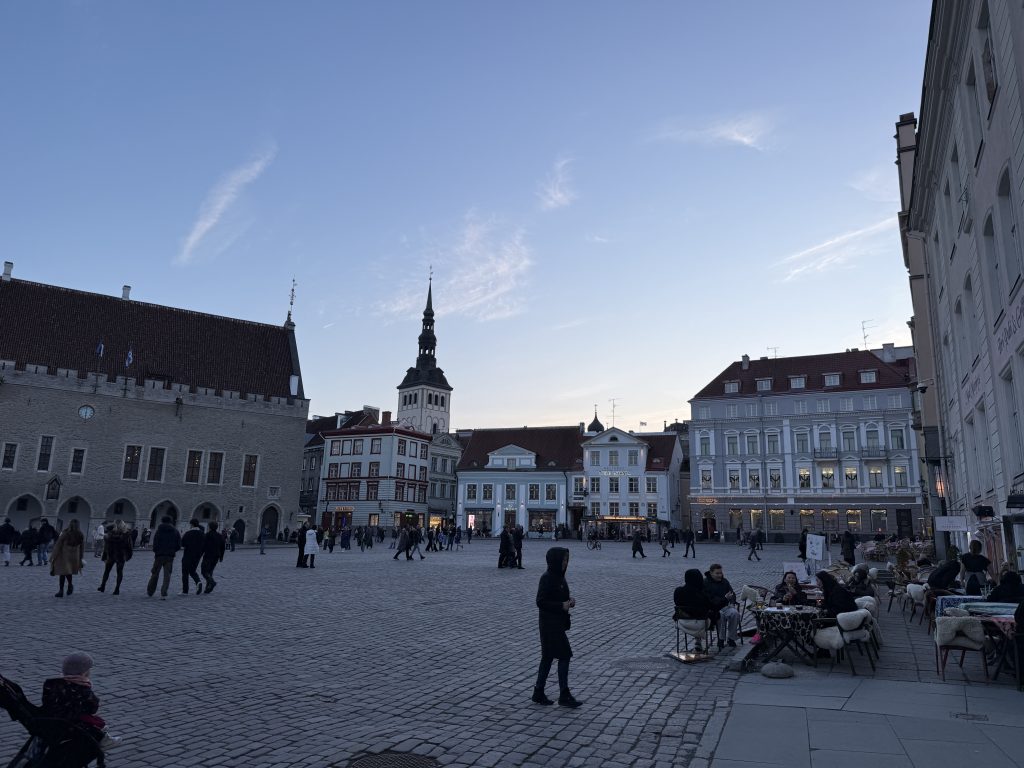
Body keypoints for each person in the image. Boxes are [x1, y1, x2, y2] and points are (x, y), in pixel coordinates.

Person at [532, 547, 580, 708]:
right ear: (555, 561)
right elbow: (541, 601)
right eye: (563, 559)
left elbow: (558, 596)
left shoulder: (559, 577)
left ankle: (538, 691)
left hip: (555, 623)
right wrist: (561, 605)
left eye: (567, 559)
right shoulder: (547, 578)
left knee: (548, 657)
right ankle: (564, 694)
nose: (566, 562)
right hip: (549, 624)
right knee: (564, 655)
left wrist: (568, 601)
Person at [42, 653, 121, 751]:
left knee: (92, 719)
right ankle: (104, 739)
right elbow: (92, 708)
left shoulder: (52, 683)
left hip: (51, 719)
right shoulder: (81, 687)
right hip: (70, 723)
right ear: (84, 673)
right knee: (93, 720)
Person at [674, 569, 717, 652]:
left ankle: (698, 641)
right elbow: (711, 606)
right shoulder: (702, 593)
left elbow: (677, 603)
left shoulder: (678, 591)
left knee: (696, 615)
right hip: (701, 624)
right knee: (710, 615)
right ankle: (699, 641)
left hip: (682, 623)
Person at [704, 564, 739, 648]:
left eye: (721, 573)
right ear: (711, 573)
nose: (720, 575)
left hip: (725, 606)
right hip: (712, 609)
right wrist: (725, 598)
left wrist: (732, 602)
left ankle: (731, 638)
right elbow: (710, 600)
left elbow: (732, 593)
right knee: (720, 616)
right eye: (717, 573)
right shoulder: (705, 582)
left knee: (735, 613)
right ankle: (721, 639)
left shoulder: (724, 581)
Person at [146, 516, 181, 599]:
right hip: (170, 556)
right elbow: (178, 545)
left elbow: (155, 543)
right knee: (167, 575)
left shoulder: (159, 531)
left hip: (159, 556)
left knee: (155, 574)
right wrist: (172, 551)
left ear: (162, 521)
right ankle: (163, 594)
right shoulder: (175, 531)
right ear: (171, 521)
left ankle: (150, 591)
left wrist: (157, 551)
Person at [50, 519, 85, 598]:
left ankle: (61, 590)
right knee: (68, 572)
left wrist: (53, 556)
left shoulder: (65, 533)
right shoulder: (80, 534)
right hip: (74, 556)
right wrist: (81, 557)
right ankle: (69, 586)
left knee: (63, 573)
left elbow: (58, 545)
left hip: (64, 555)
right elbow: (82, 547)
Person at [97, 520, 132, 595]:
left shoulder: (111, 533)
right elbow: (129, 545)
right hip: (120, 555)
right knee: (119, 572)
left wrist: (105, 555)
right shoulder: (126, 534)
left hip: (111, 554)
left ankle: (103, 586)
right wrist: (129, 554)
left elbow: (107, 545)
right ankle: (117, 589)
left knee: (107, 571)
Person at [180, 519, 205, 595]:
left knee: (185, 573)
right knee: (192, 571)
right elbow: (204, 546)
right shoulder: (202, 534)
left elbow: (182, 544)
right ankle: (198, 582)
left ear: (192, 524)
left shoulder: (188, 533)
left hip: (188, 555)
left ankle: (185, 591)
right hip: (197, 556)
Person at [201, 521, 227, 592]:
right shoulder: (220, 536)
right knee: (210, 571)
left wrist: (200, 554)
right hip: (216, 556)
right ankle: (208, 588)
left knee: (204, 571)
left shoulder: (207, 535)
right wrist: (221, 557)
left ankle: (211, 582)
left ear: (209, 527)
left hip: (208, 555)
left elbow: (203, 546)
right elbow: (223, 548)